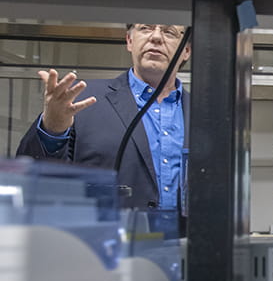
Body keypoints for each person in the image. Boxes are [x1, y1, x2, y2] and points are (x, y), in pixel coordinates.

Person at [17, 23, 191, 210]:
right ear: (129, 40)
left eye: (169, 32)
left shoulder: (206, 115)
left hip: (191, 238)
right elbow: (32, 177)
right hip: (103, 235)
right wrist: (53, 128)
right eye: (145, 28)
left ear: (186, 51)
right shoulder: (80, 99)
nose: (156, 37)